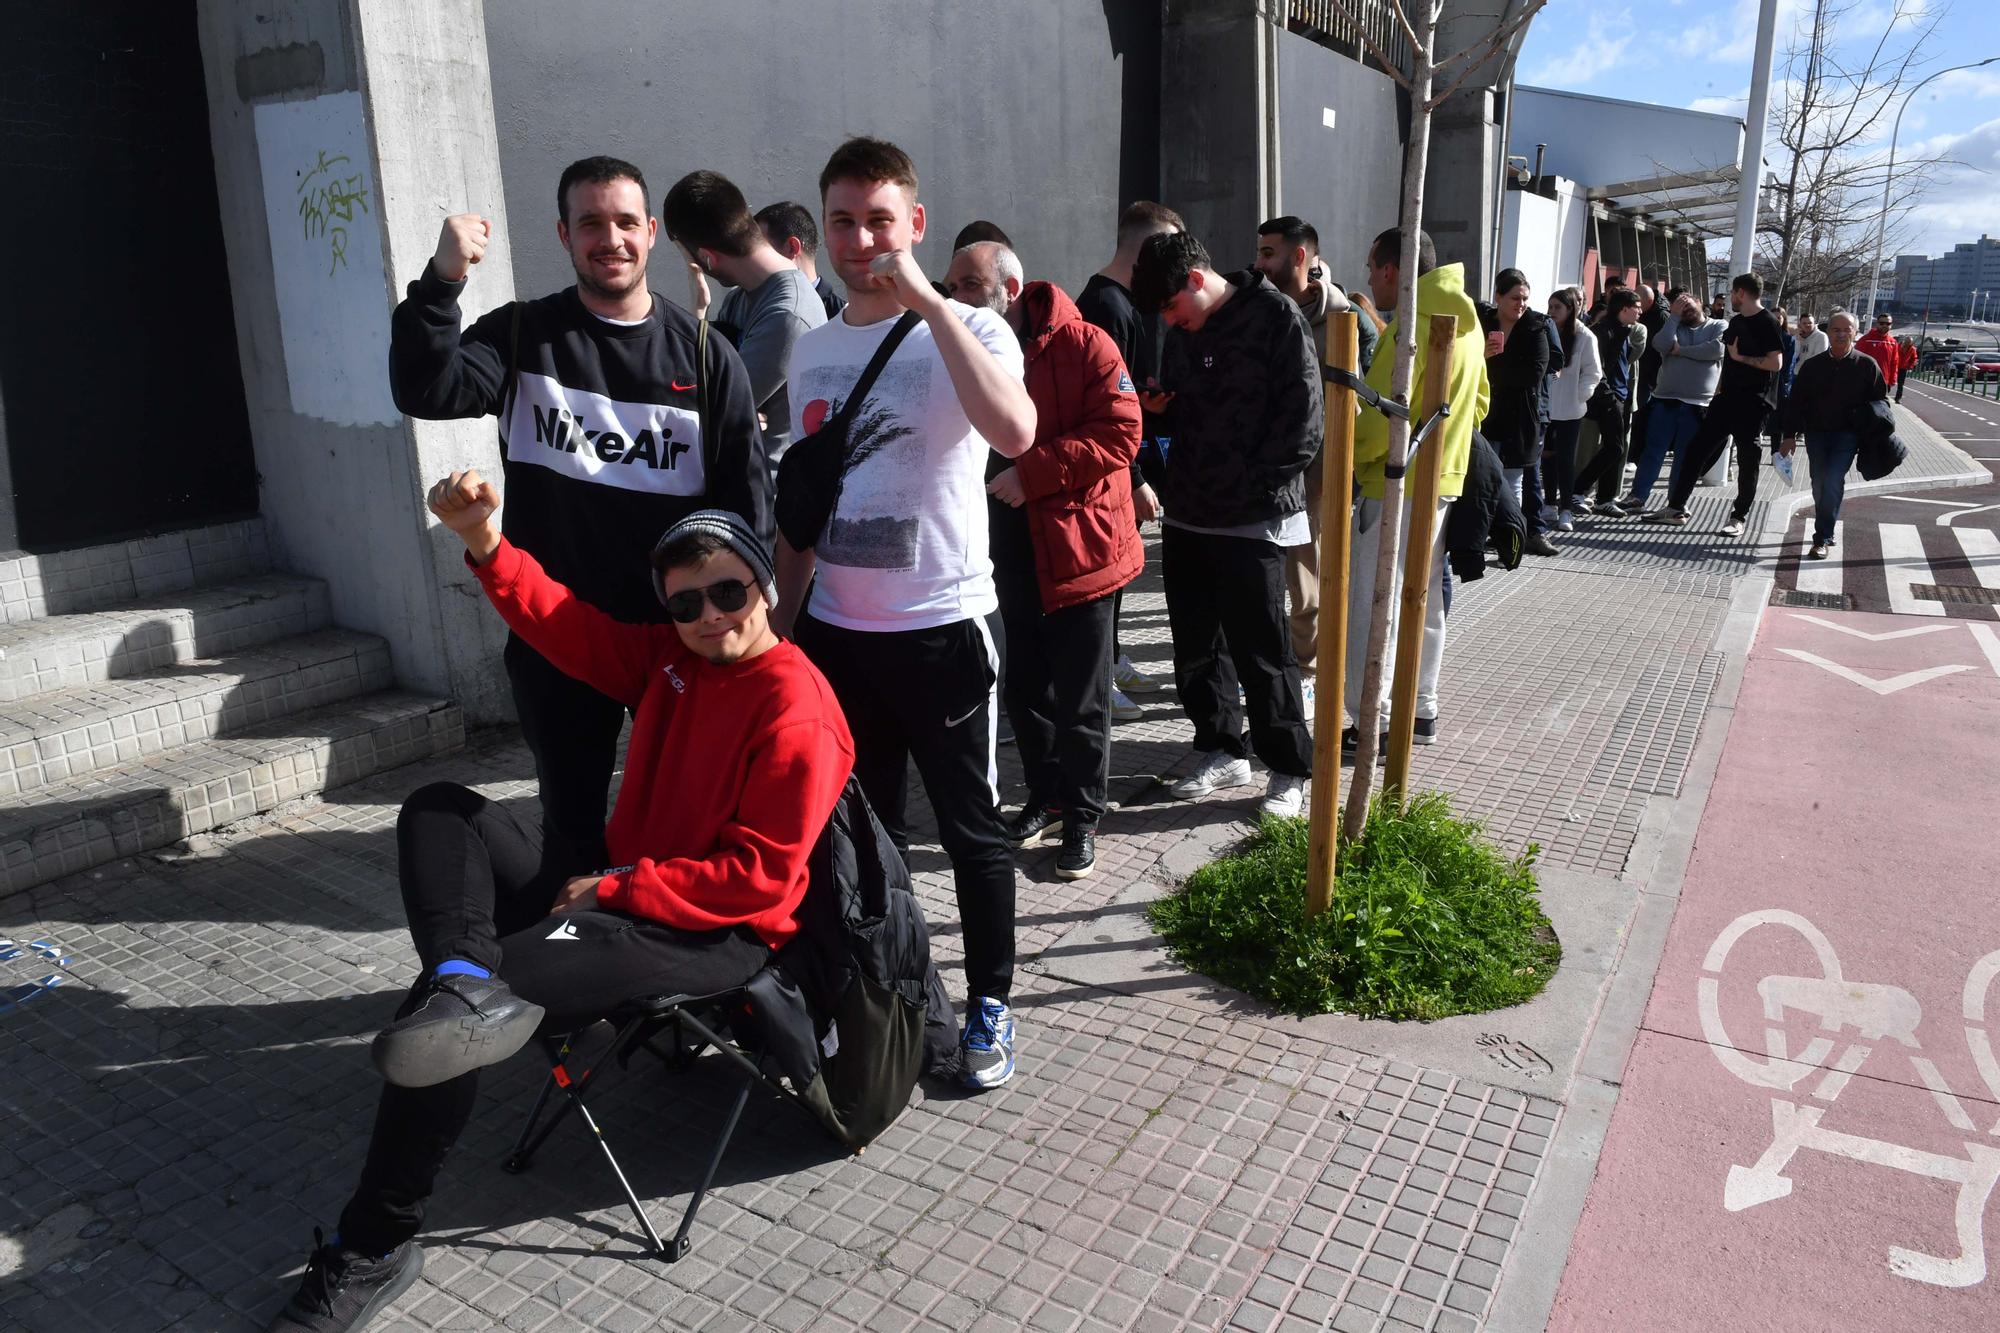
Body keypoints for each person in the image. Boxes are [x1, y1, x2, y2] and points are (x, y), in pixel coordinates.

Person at [263, 487, 852, 1333]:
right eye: (686, 601)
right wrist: (485, 540)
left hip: (708, 928)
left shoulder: (796, 705)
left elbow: (758, 880)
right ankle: (463, 979)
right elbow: (567, 623)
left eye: (729, 591)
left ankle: (375, 1243)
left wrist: (617, 888)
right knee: (439, 808)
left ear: (764, 585)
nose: (710, 615)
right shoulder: (670, 658)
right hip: (619, 880)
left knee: (448, 1020)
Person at [389, 155, 768, 876]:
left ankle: (673, 966)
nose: (611, 238)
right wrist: (442, 283)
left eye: (626, 222)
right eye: (591, 223)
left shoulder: (706, 356)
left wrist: (747, 636)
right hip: (556, 637)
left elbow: (749, 510)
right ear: (564, 234)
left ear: (652, 233)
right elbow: (426, 387)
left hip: (679, 638)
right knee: (572, 823)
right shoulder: (524, 334)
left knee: (691, 818)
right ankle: (574, 968)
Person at [774, 137, 1036, 1089]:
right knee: (867, 835)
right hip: (840, 635)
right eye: (842, 219)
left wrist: (930, 301)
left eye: (880, 218)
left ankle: (993, 1002)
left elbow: (1015, 433)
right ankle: (890, 996)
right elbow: (803, 513)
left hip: (945, 626)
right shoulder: (812, 350)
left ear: (914, 224)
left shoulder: (972, 328)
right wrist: (778, 630)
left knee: (973, 830)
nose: (861, 238)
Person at [945, 240, 1142, 879]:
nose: (956, 299)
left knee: (1081, 698)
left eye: (970, 286)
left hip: (1082, 548)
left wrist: (1032, 475)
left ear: (1012, 286)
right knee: (1026, 688)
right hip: (1007, 550)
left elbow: (1122, 432)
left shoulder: (1084, 342)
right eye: (950, 286)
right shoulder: (958, 346)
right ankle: (1047, 797)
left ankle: (1083, 816)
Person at [1131, 230, 1319, 814]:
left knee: (1262, 649)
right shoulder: (1183, 333)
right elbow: (1185, 410)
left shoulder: (1274, 315)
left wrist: (1255, 486)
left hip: (1250, 518)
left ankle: (1288, 767)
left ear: (1194, 279)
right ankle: (1223, 748)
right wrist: (1163, 409)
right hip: (1189, 513)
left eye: (1170, 307)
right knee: (1196, 646)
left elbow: (1304, 419)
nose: (1170, 321)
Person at [1343, 226, 1487, 751]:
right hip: (1442, 481)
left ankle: (1370, 720)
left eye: (1371, 267)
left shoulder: (1410, 328)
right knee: (1423, 602)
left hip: (1394, 481)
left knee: (1373, 604)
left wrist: (1350, 450)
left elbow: (1384, 418)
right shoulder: (1466, 320)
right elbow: (1481, 403)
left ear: (1392, 270)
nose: (1368, 278)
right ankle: (1420, 710)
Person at [1254, 214, 1381, 700]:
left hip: (1322, 474)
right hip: (1267, 471)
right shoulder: (1261, 311)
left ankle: (1311, 675)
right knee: (1278, 576)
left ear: (1300, 256)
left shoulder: (1345, 320)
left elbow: (1371, 394)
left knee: (1310, 578)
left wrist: (1347, 469)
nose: (1258, 262)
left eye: (1269, 253)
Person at [1077, 200, 1184, 712]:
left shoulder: (1118, 304)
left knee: (1120, 575)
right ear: (1147, 249)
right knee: (1107, 576)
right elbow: (1103, 409)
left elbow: (1122, 397)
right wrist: (1136, 477)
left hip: (1121, 464)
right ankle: (1101, 675)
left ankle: (1112, 660)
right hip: (1113, 471)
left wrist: (1150, 402)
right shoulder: (1108, 307)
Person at [664, 171, 826, 485]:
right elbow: (697, 391)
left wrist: (718, 405)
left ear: (707, 258)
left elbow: (703, 410)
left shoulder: (788, 314)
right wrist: (699, 313)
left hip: (765, 504)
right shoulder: (741, 297)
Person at [1645, 272, 1785, 535]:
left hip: (1754, 404)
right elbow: (1726, 363)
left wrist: (1741, 358)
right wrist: (1719, 390)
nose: (1730, 297)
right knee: (1695, 451)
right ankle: (1676, 508)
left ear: (1741, 292)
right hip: (1725, 400)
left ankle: (1738, 518)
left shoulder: (1767, 322)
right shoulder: (1736, 322)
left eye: (1733, 292)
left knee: (1747, 461)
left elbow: (1776, 363)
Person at [1777, 310, 1886, 560]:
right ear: (1828, 332)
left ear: (1855, 333)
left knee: (1834, 478)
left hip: (1847, 436)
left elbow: (1881, 403)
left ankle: (1821, 537)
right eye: (1835, 329)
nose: (1840, 333)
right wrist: (1789, 435)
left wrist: (1874, 433)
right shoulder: (1813, 366)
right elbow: (1796, 403)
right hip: (1816, 433)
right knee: (1819, 482)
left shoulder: (1867, 365)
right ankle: (1828, 523)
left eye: (1846, 329)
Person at [1619, 288, 1725, 513]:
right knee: (1653, 450)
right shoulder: (1673, 325)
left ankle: (1676, 503)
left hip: (1698, 404)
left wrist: (1681, 351)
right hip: (1665, 399)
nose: (1684, 310)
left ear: (1699, 301)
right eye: (1678, 307)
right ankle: (1637, 496)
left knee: (1684, 456)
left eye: (1687, 305)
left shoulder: (1718, 326)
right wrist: (1674, 317)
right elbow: (1661, 344)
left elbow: (1716, 349)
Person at [1479, 269, 1554, 556]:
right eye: (1514, 298)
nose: (1520, 304)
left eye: (1524, 298)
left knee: (1512, 484)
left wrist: (1491, 366)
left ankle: (1510, 544)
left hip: (1519, 420)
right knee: (1484, 480)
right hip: (1487, 414)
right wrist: (1481, 357)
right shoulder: (1483, 322)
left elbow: (1533, 374)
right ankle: (1489, 537)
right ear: (1498, 296)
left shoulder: (1536, 327)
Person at [1570, 288, 1643, 514]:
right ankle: (1577, 491)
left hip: (1619, 396)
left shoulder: (1622, 330)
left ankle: (1604, 498)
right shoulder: (1603, 332)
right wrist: (1610, 396)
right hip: (1608, 398)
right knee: (1615, 447)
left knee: (1615, 448)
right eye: (1636, 307)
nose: (1640, 311)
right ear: (1624, 309)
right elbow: (1596, 368)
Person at [1541, 286, 1601, 530]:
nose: (1552, 311)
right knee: (1546, 457)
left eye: (1558, 307)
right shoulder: (1545, 330)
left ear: (1571, 309)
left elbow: (1593, 371)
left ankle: (1566, 507)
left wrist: (1580, 395)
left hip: (1570, 407)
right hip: (1545, 405)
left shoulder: (1585, 336)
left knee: (1566, 459)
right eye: (1550, 306)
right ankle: (1548, 504)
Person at [756, 200, 846, 320]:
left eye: (760, 248)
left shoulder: (845, 319)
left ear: (792, 248)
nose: (752, 259)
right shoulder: (747, 309)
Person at [1856, 312, 1906, 398]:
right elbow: (1856, 359)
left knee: (1879, 408)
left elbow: (1894, 362)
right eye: (1882, 323)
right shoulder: (1865, 340)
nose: (1884, 325)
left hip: (1883, 382)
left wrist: (1892, 381)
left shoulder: (1892, 342)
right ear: (1877, 324)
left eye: (1888, 323)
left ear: (1891, 325)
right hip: (1865, 382)